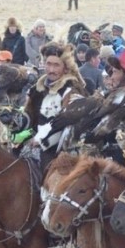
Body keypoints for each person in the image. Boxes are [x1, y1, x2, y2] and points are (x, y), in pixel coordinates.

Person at [24, 42, 88, 173]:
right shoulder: (37, 88)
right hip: (33, 142)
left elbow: (64, 121)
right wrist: (16, 122)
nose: (51, 70)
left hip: (60, 149)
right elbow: (29, 117)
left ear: (65, 68)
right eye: (48, 64)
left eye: (56, 65)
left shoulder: (72, 91)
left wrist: (41, 140)